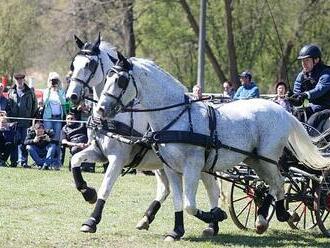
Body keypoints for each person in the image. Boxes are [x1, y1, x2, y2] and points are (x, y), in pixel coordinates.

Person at [289, 44, 330, 128]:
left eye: (307, 60)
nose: (303, 64)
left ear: (316, 60)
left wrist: (305, 95)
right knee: (296, 115)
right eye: (302, 61)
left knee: (312, 121)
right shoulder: (301, 75)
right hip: (312, 107)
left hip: (326, 107)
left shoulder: (326, 73)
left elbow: (320, 89)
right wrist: (293, 97)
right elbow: (297, 91)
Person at [7, 73, 37, 168]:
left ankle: (24, 162)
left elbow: (34, 106)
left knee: (24, 142)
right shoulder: (11, 92)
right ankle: (14, 162)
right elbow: (8, 106)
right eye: (17, 79)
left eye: (21, 79)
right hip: (14, 122)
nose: (19, 81)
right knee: (14, 142)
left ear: (24, 80)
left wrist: (31, 118)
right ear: (15, 80)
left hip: (25, 121)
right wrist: (10, 119)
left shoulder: (30, 92)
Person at [43, 72, 67, 167]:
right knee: (49, 139)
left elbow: (63, 102)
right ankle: (48, 161)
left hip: (58, 118)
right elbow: (45, 102)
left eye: (55, 80)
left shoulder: (61, 91)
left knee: (57, 140)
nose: (54, 82)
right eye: (52, 80)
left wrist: (57, 91)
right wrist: (50, 90)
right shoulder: (46, 91)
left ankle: (56, 162)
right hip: (48, 118)